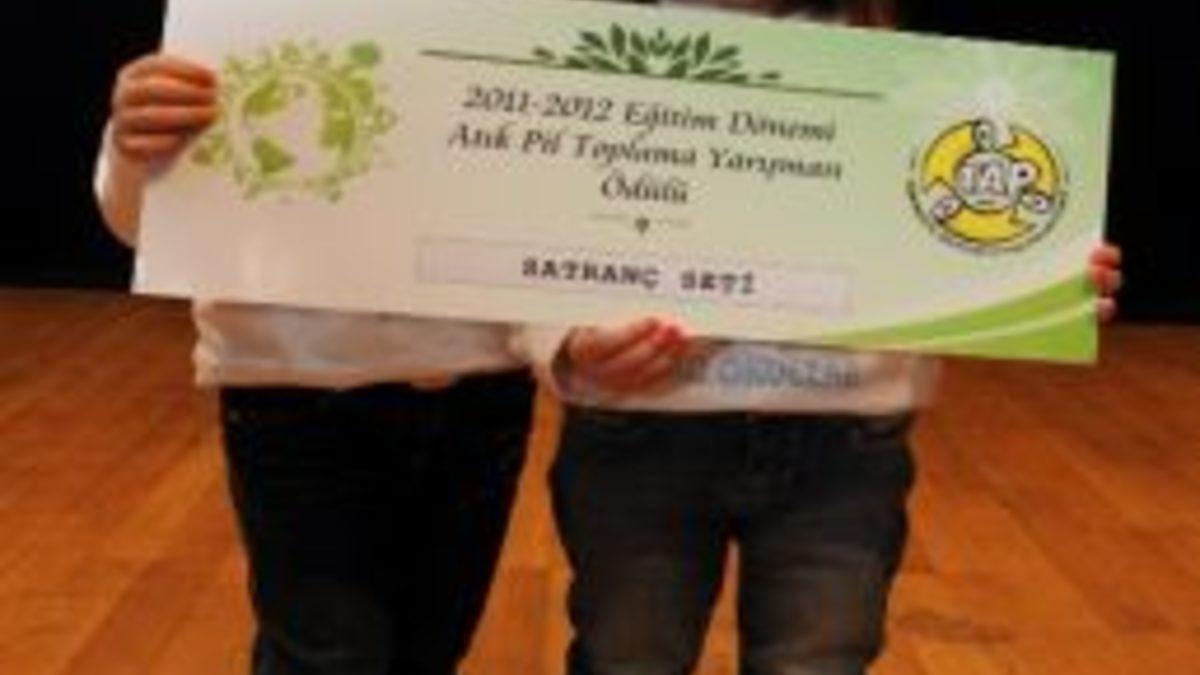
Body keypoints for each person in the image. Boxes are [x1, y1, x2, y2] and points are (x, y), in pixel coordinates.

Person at [527, 1, 1125, 674]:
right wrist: (565, 343)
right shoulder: (599, 44)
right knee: (627, 659)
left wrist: (1040, 276)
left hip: (842, 445)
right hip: (640, 435)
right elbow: (523, 221)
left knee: (818, 661)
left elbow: (962, 224)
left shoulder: (909, 72)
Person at [96, 50, 535, 674]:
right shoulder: (249, 33)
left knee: (430, 647)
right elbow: (142, 227)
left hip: (481, 389)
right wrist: (133, 145)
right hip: (292, 393)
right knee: (324, 653)